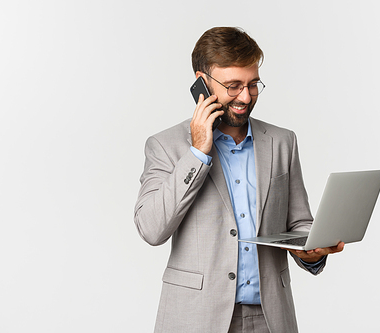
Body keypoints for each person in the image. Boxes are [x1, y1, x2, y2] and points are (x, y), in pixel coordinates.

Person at [134, 27, 344, 333]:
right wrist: (198, 153)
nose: (245, 97)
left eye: (253, 84)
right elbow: (151, 229)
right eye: (233, 86)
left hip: (271, 317)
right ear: (202, 83)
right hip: (196, 317)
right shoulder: (166, 145)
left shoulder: (282, 141)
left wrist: (310, 249)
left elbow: (299, 222)